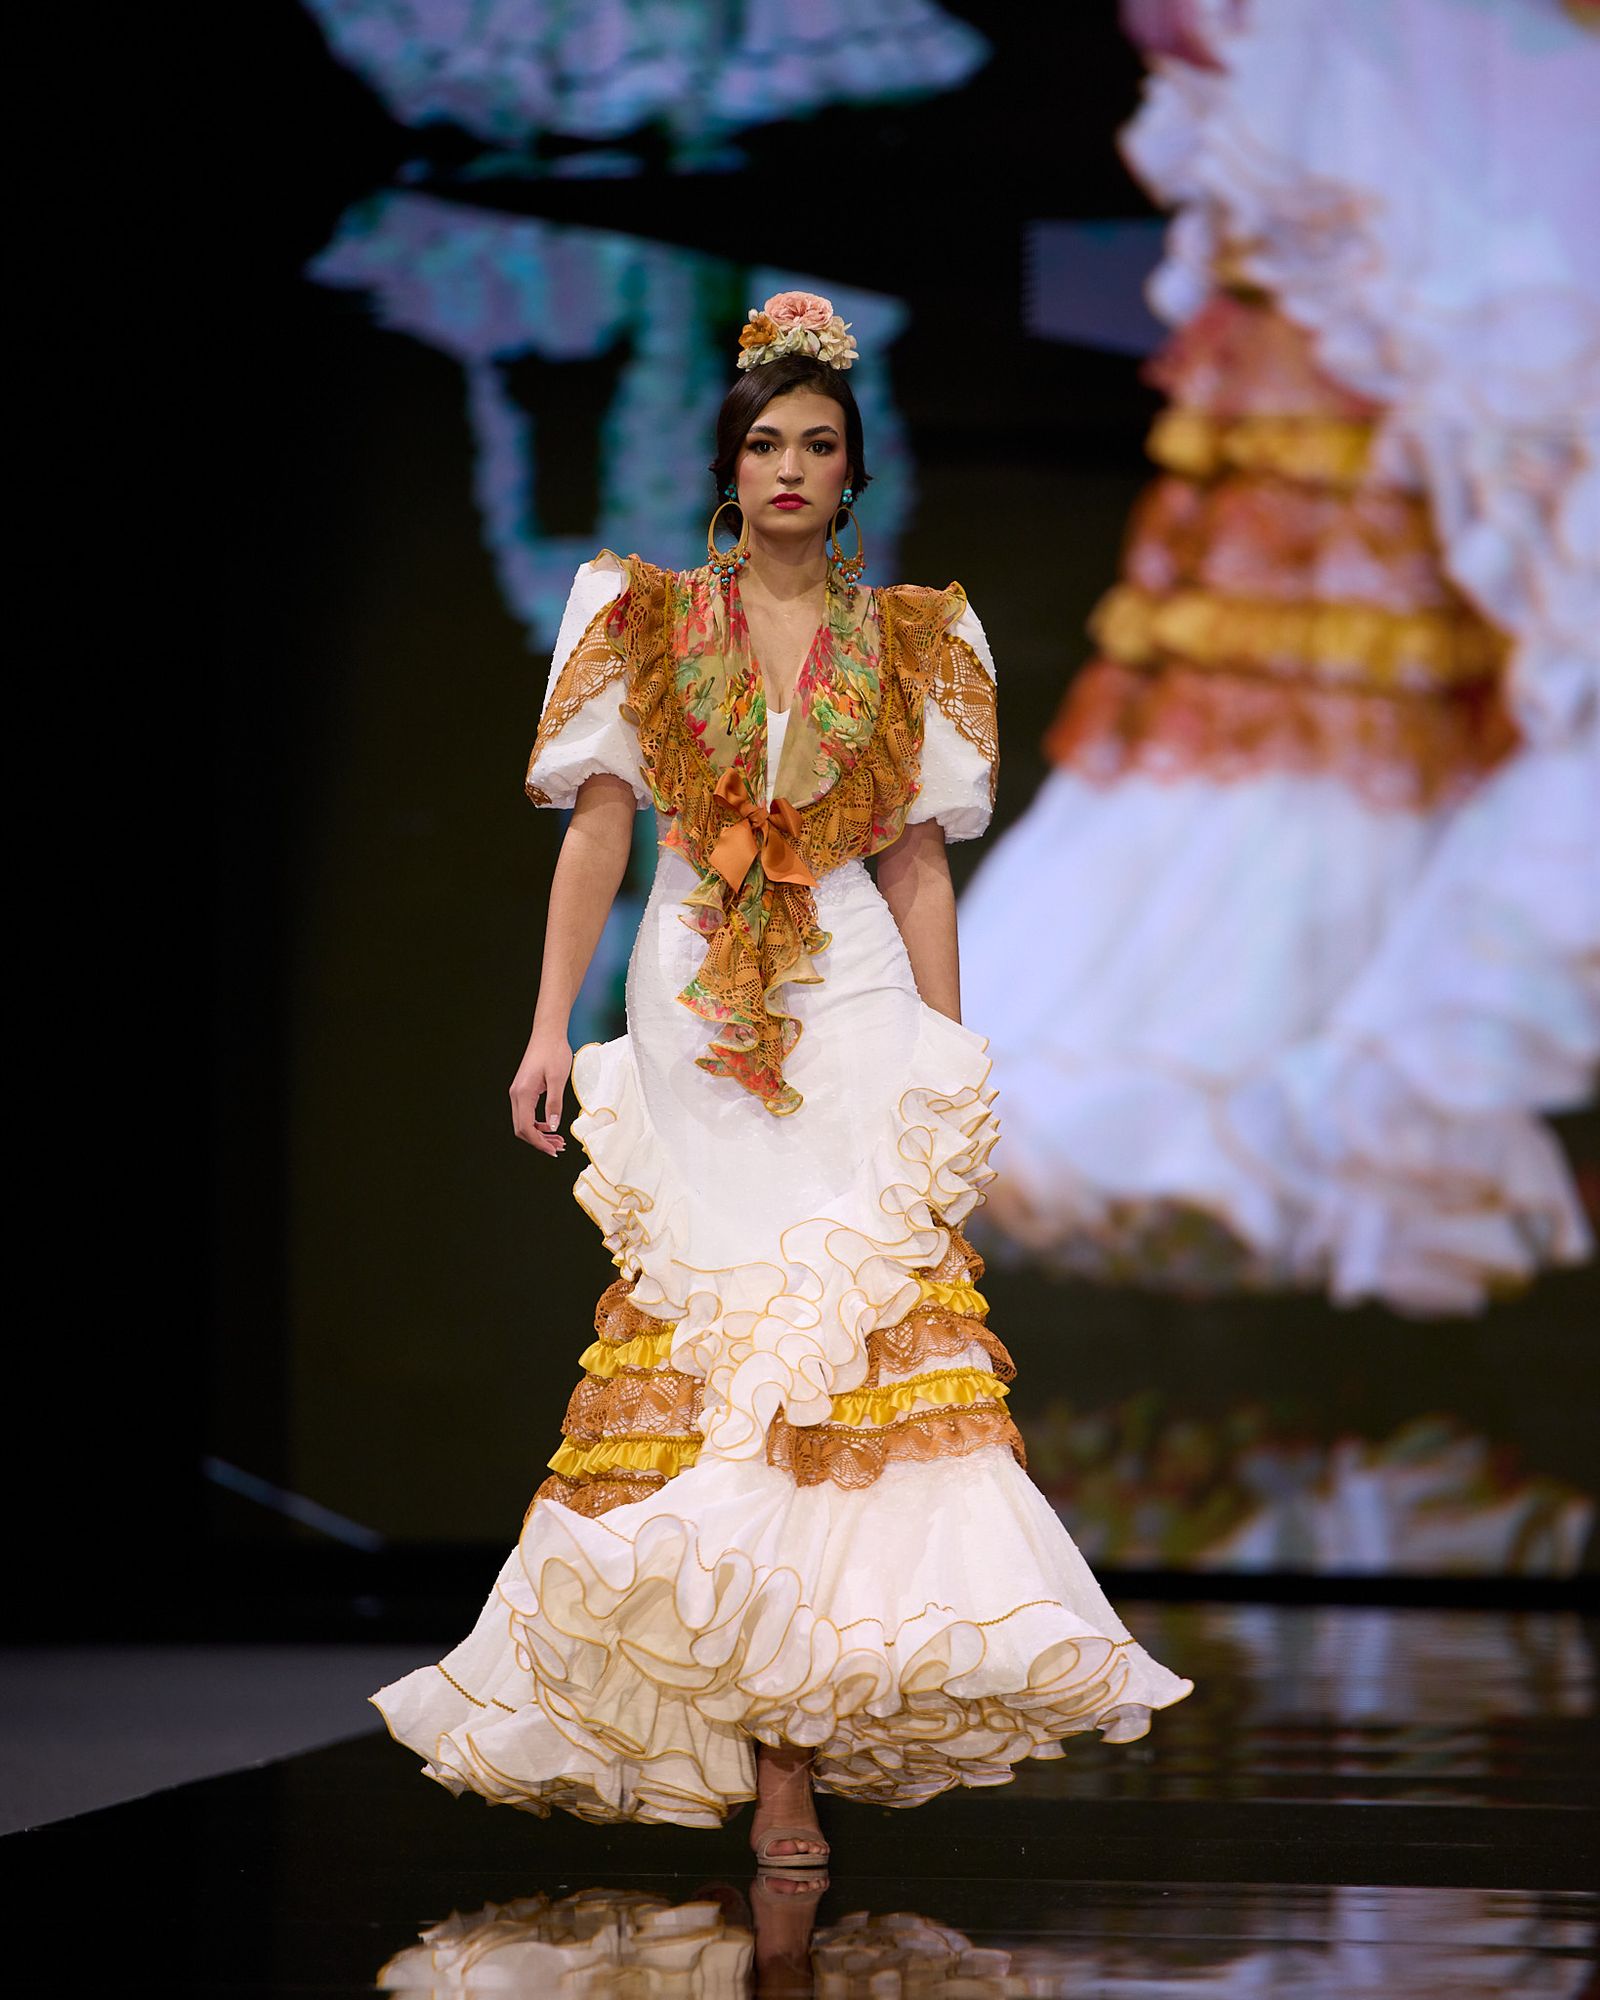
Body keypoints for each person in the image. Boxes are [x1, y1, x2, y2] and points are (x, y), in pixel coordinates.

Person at [371, 291, 1192, 1868]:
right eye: (768, 443)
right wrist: (552, 1025)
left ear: (854, 472)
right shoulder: (638, 616)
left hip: (858, 998)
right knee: (721, 1351)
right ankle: (761, 1747)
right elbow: (599, 833)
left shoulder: (918, 644)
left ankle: (794, 1761)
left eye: (819, 445)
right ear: (728, 466)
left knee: (856, 1360)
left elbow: (923, 867)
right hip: (692, 1004)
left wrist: (951, 1065)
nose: (792, 469)